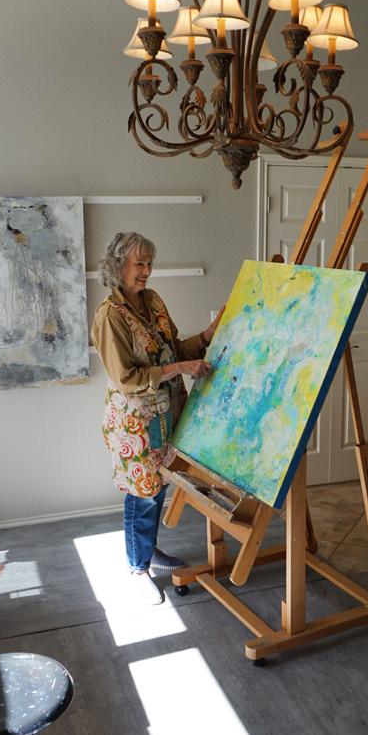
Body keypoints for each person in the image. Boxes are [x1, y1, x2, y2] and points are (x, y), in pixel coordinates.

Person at [91, 231, 221, 604]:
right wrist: (180, 367)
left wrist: (207, 335)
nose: (147, 270)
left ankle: (146, 550)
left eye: (150, 263)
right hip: (135, 425)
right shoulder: (109, 316)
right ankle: (137, 569)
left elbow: (172, 350)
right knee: (142, 494)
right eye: (140, 264)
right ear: (118, 265)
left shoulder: (154, 301)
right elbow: (127, 378)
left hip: (166, 415)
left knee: (158, 487)